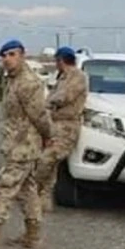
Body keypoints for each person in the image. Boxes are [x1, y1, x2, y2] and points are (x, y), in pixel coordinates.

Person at [0, 39, 54, 249]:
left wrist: (48, 135)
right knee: (27, 189)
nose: (7, 59)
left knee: (4, 187)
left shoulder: (28, 83)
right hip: (16, 143)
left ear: (22, 55)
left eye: (12, 54)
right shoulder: (12, 80)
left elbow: (40, 115)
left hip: (23, 146)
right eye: (4, 55)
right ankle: (33, 235)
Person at [36, 46, 88, 213]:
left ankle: (34, 190)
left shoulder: (78, 76)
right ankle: (43, 198)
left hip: (67, 125)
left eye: (56, 61)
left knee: (48, 159)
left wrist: (46, 104)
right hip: (54, 123)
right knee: (50, 164)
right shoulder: (62, 77)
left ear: (61, 60)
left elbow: (65, 96)